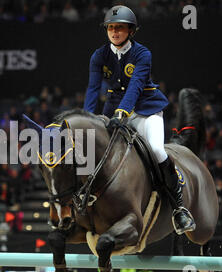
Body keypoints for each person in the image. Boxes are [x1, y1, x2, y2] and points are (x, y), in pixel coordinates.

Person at [83, 5, 195, 234]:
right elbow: (93, 89)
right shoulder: (99, 55)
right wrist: (88, 119)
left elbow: (135, 87)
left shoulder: (143, 54)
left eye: (120, 28)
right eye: (111, 28)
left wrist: (122, 113)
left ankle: (179, 208)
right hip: (113, 110)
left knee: (155, 150)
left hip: (145, 109)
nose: (114, 32)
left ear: (131, 31)